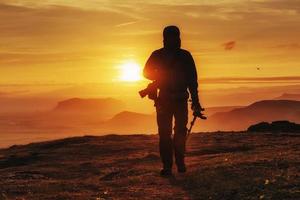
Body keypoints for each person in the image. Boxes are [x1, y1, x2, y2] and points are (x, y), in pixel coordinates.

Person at [143, 25, 203, 176]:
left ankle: (178, 162)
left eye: (174, 36)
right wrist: (160, 76)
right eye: (172, 36)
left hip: (177, 99)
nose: (173, 39)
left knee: (178, 132)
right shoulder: (180, 55)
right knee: (166, 133)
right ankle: (169, 165)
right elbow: (146, 72)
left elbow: (192, 81)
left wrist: (195, 101)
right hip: (167, 100)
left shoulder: (179, 56)